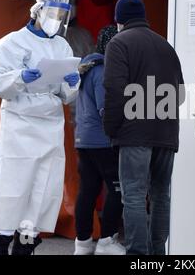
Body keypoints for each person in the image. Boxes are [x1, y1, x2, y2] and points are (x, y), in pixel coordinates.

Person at [0, 0, 80, 255]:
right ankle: (0, 245)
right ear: (37, 11)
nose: (56, 20)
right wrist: (22, 77)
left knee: (43, 185)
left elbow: (66, 94)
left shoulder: (62, 46)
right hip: (20, 123)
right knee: (13, 184)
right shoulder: (12, 43)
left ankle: (27, 242)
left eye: (61, 15)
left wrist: (71, 84)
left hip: (50, 122)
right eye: (52, 13)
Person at [103, 0, 185, 255]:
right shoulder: (166, 46)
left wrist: (111, 127)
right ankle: (158, 253)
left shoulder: (118, 43)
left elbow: (115, 90)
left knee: (134, 196)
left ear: (120, 20)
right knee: (161, 194)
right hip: (166, 132)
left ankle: (138, 256)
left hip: (134, 133)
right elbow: (180, 93)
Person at [73, 25, 125, 255]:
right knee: (117, 189)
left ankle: (82, 244)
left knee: (88, 190)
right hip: (103, 141)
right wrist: (119, 132)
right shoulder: (105, 70)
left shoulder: (87, 67)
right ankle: (106, 241)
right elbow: (107, 108)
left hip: (83, 139)